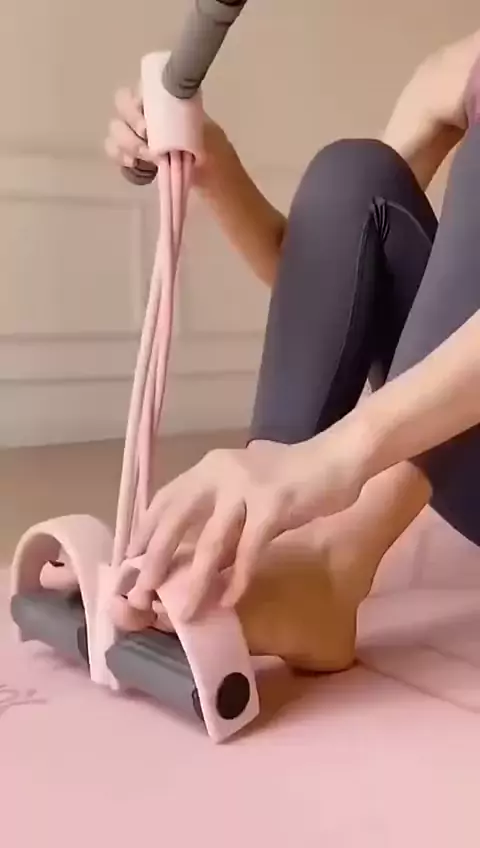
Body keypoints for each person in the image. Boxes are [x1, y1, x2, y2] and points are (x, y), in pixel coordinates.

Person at [103, 28, 480, 672]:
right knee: (352, 174)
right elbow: (337, 274)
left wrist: (337, 457)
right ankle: (255, 538)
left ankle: (336, 561)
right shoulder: (453, 71)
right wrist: (213, 164)